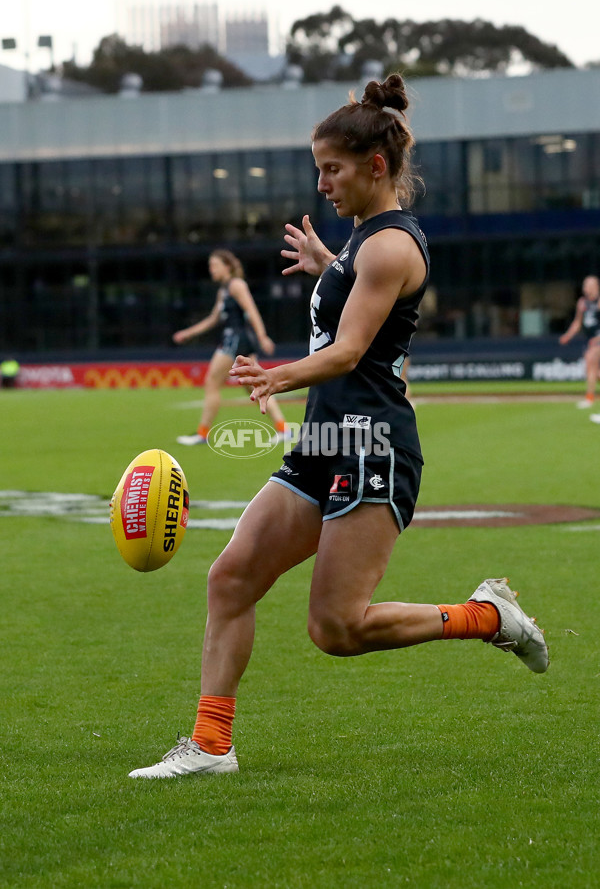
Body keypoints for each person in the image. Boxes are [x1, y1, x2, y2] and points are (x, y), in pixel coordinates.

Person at [129, 73, 548, 780]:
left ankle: (487, 616)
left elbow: (350, 351)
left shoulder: (388, 247)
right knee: (230, 577)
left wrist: (275, 377)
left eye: (333, 169)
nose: (322, 183)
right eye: (319, 168)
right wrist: (329, 265)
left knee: (336, 628)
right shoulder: (360, 241)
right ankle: (210, 744)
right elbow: (357, 310)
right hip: (325, 443)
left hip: (374, 447)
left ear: (375, 166)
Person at [173, 249, 289, 444]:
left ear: (227, 266)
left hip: (236, 340)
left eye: (214, 265)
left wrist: (263, 337)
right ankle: (283, 429)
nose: (211, 270)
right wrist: (188, 333)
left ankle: (202, 433)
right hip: (236, 340)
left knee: (212, 381)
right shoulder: (223, 290)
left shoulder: (236, 285)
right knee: (255, 386)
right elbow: (213, 319)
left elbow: (251, 311)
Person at [559, 274, 600, 409]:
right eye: (585, 285)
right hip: (590, 341)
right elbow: (577, 323)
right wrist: (568, 335)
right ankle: (590, 397)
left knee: (590, 360)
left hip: (598, 340)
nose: (586, 288)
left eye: (589, 285)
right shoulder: (582, 303)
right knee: (595, 373)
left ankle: (589, 398)